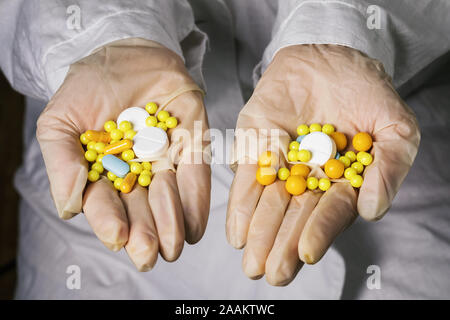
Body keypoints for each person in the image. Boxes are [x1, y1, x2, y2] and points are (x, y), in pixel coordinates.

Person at [0, 0, 449, 299]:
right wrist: (107, 33)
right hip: (96, 106)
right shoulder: (113, 149)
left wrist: (341, 31)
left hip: (380, 99)